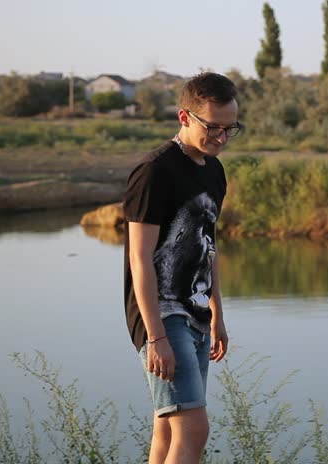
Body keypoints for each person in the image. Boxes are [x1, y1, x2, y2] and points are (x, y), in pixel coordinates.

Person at [123, 72, 240, 464]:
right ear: (184, 117)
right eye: (214, 127)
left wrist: (217, 313)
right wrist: (155, 336)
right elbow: (139, 257)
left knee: (168, 426)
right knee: (194, 427)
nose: (222, 138)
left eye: (230, 129)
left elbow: (208, 245)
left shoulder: (214, 171)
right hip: (161, 314)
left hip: (195, 313)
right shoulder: (155, 171)